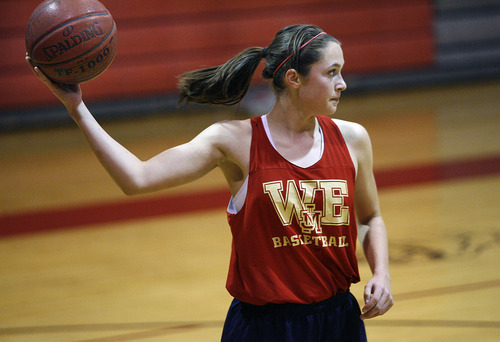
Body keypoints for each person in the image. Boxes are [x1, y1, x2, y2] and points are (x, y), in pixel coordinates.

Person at [27, 24, 393, 341]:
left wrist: (382, 273)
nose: (342, 83)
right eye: (331, 72)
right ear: (294, 79)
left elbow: (371, 217)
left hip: (338, 321)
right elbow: (136, 178)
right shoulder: (233, 140)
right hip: (263, 327)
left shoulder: (353, 139)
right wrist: (76, 107)